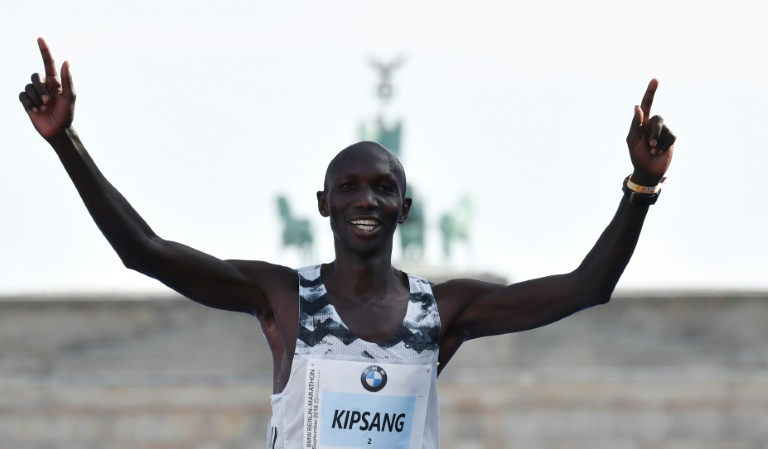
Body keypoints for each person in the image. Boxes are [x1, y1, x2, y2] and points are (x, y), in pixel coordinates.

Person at [19, 38, 676, 449]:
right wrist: (66, 142)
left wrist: (640, 187)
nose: (367, 199)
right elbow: (145, 250)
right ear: (324, 204)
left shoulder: (440, 312)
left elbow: (588, 287)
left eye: (383, 188)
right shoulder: (281, 296)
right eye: (350, 187)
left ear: (404, 208)